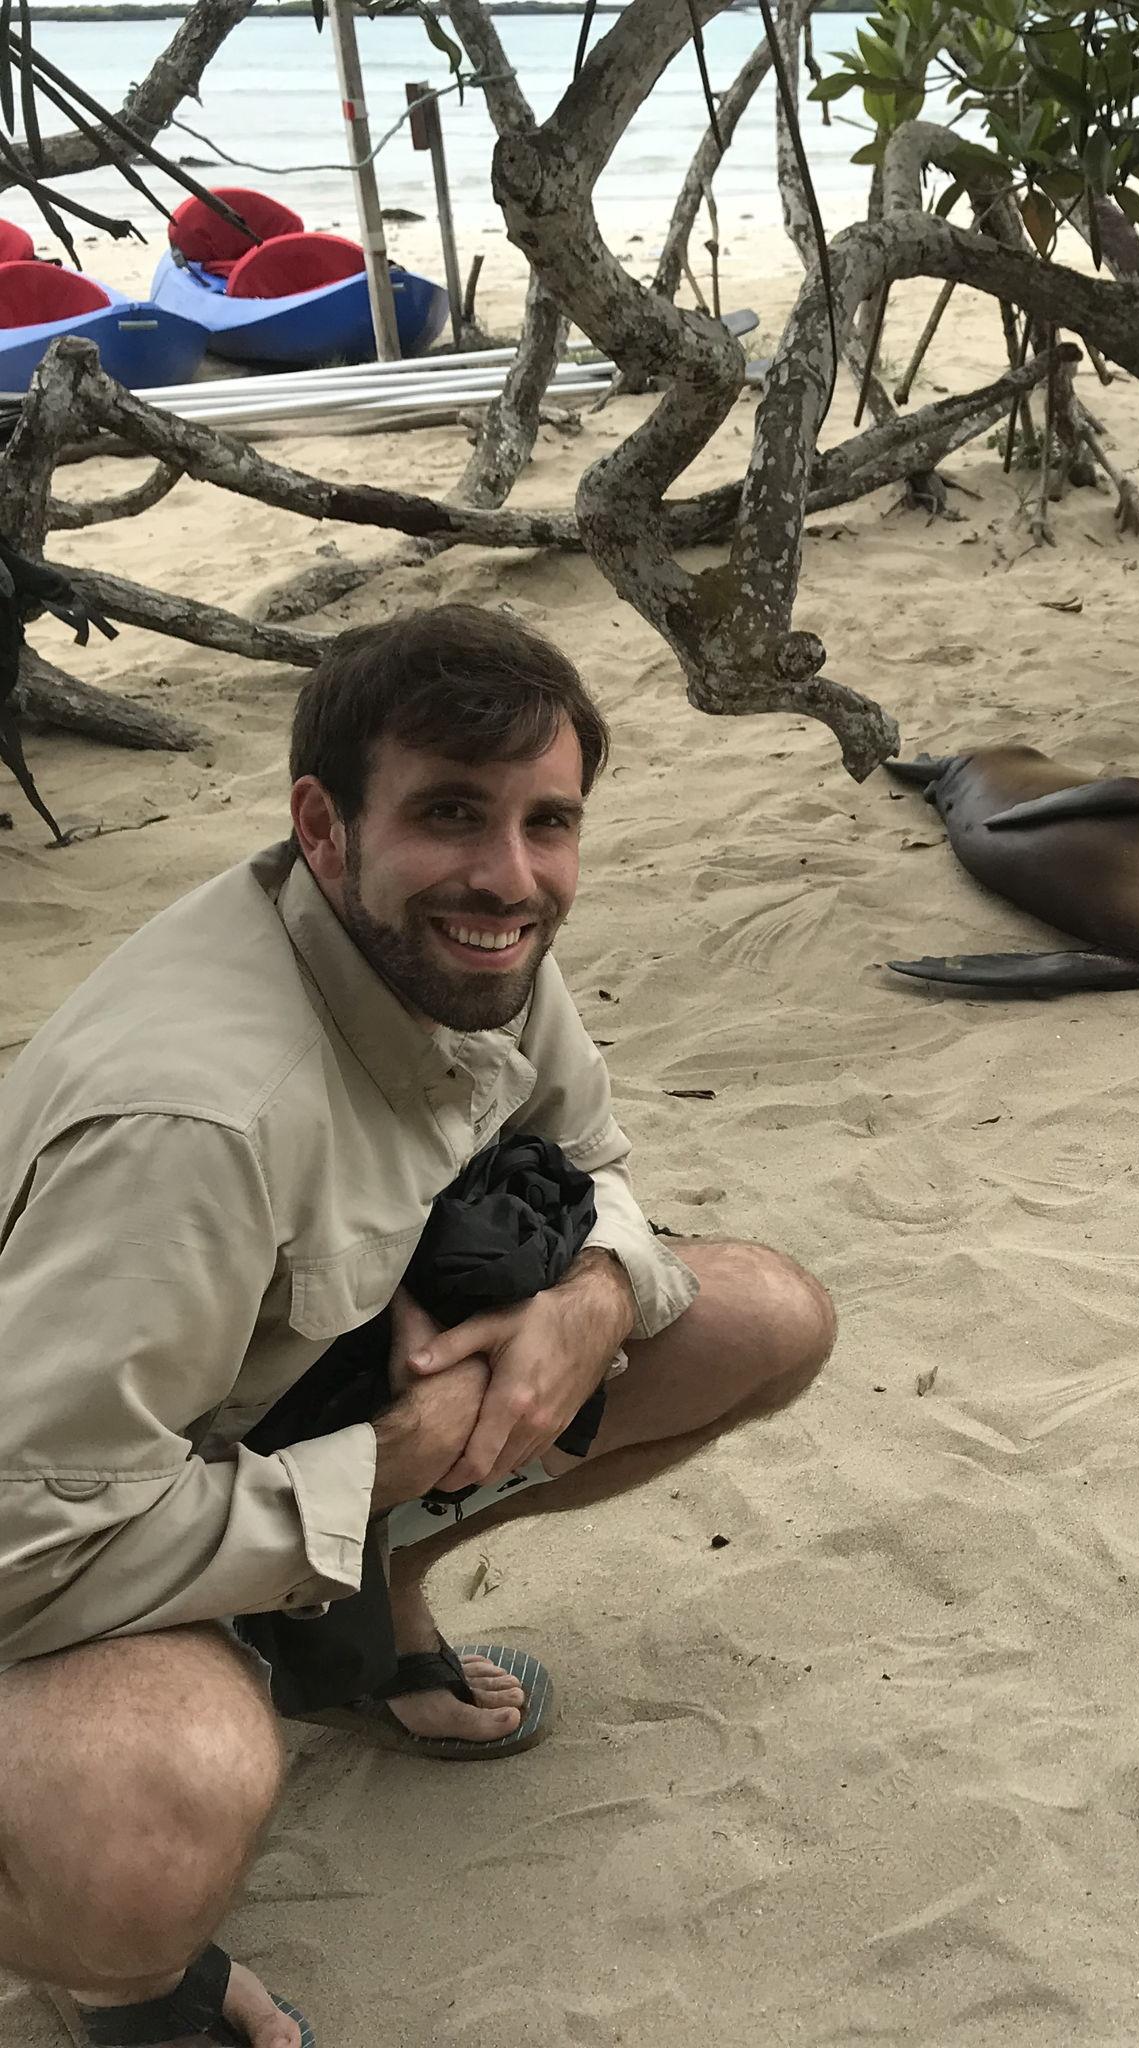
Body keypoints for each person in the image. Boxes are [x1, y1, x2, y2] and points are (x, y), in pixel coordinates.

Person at [0, 604, 836, 2048]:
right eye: (453, 814)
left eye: (548, 822)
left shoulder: (467, 944)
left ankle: (359, 1623)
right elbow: (23, 1544)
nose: (510, 876)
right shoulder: (193, 1122)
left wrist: (592, 1299)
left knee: (760, 1314)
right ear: (324, 827)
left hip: (242, 1415)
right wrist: (384, 1466)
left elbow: (602, 1171)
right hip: (53, 1510)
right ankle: (130, 1983)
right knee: (158, 1805)